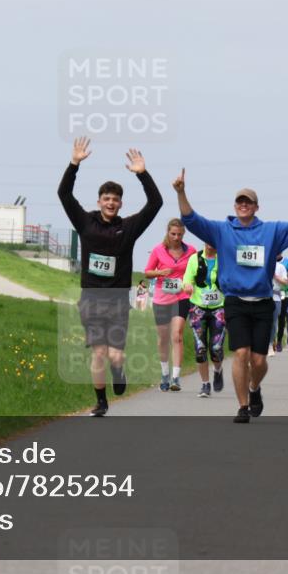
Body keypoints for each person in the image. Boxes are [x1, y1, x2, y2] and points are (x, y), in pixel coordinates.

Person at [174, 169, 288, 422]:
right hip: (234, 301)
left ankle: (254, 389)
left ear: (256, 207)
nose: (243, 205)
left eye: (248, 202)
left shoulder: (271, 232)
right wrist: (181, 192)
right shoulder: (222, 231)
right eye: (239, 202)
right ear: (235, 206)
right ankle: (242, 406)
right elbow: (191, 220)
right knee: (240, 354)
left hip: (263, 302)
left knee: (258, 360)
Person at [58, 137, 162, 417]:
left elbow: (155, 203)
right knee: (99, 354)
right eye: (106, 199)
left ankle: (119, 369)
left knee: (115, 355)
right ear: (99, 201)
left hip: (117, 302)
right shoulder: (85, 223)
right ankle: (101, 402)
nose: (111, 203)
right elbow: (65, 196)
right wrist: (74, 165)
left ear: (120, 203)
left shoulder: (128, 228)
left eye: (115, 200)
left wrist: (143, 173)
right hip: (91, 300)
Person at [144, 219, 197, 391]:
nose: (176, 237)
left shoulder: (191, 252)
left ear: (184, 234)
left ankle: (176, 378)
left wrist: (190, 284)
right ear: (168, 232)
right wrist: (160, 272)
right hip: (162, 298)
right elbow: (147, 272)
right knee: (163, 338)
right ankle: (164, 374)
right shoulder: (159, 250)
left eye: (179, 234)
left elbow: (196, 272)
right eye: (173, 234)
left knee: (177, 335)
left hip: (181, 297)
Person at [182, 243, 226, 397]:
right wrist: (187, 285)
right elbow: (187, 279)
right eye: (207, 241)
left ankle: (218, 370)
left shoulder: (224, 259)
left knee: (216, 348)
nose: (209, 245)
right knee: (200, 349)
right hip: (198, 308)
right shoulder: (194, 259)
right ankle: (205, 384)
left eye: (213, 242)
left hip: (219, 308)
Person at [269, 254, 288, 357]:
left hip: (276, 297)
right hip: (262, 296)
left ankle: (270, 344)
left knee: (273, 322)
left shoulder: (280, 267)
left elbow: (285, 283)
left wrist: (275, 276)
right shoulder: (262, 265)